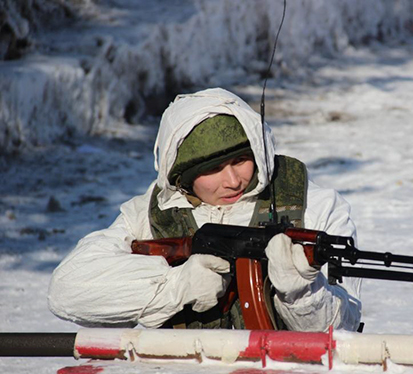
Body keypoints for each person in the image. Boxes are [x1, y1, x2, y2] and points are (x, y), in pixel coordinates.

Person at [48, 88, 362, 332]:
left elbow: (345, 329)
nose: (233, 180)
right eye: (213, 169)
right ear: (182, 178)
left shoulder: (311, 204)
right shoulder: (152, 214)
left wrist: (302, 293)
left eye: (241, 160)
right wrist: (176, 286)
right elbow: (67, 291)